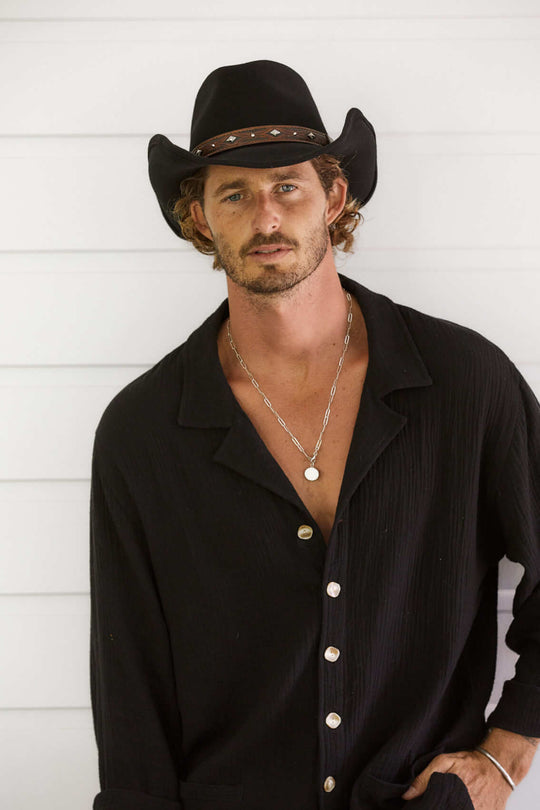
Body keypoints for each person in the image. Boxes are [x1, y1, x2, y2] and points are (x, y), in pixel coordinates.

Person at [89, 60, 540, 810]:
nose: (266, 217)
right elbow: (129, 684)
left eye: (287, 186)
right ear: (200, 217)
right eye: (234, 192)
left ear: (333, 196)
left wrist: (510, 745)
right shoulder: (142, 433)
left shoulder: (467, 384)